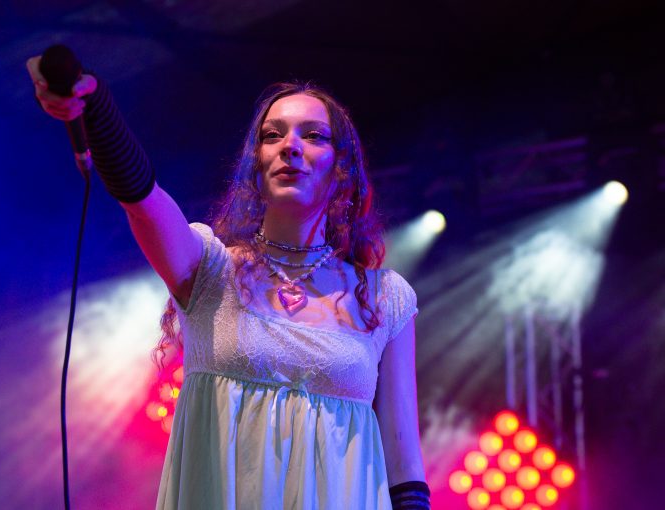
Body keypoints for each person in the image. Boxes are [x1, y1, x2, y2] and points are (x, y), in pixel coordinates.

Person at [27, 56, 429, 510]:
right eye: (272, 135)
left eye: (313, 135)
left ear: (342, 167)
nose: (290, 146)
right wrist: (96, 106)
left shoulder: (383, 297)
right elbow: (143, 200)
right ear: (256, 165)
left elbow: (404, 465)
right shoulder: (210, 269)